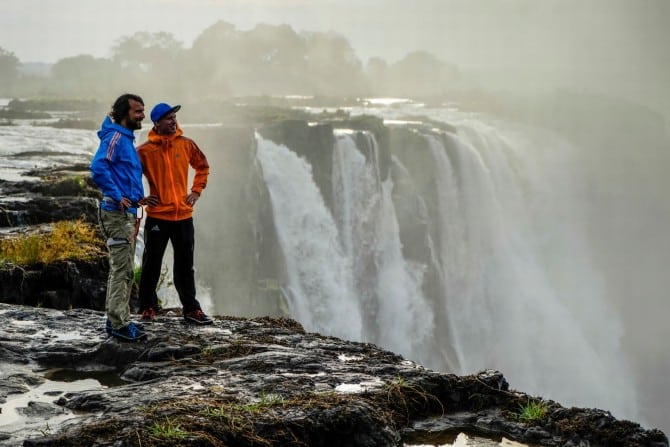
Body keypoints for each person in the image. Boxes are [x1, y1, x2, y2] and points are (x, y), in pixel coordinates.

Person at [90, 93, 158, 342]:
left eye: (143, 110)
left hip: (126, 213)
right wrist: (118, 196)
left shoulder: (126, 139)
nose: (142, 116)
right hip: (116, 214)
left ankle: (116, 320)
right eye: (138, 111)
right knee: (123, 270)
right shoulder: (116, 137)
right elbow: (98, 167)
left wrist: (138, 200)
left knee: (125, 269)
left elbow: (123, 174)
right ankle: (119, 324)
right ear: (124, 113)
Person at [137, 102, 213, 325]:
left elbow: (203, 166)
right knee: (152, 264)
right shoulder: (143, 151)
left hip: (183, 217)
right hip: (157, 217)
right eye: (169, 118)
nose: (174, 121)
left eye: (175, 117)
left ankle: (191, 309)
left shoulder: (186, 144)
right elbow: (128, 176)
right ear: (157, 123)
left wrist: (196, 191)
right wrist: (139, 198)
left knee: (185, 265)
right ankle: (147, 307)